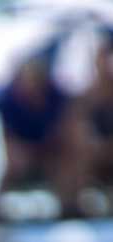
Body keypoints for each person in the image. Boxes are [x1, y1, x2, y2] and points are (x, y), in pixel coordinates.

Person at [0, 55, 71, 205]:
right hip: (22, 152)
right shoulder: (9, 104)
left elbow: (62, 132)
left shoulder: (56, 99)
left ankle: (66, 208)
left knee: (65, 166)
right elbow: (8, 140)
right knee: (12, 168)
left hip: (50, 152)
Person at [63, 36, 113, 212]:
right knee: (74, 162)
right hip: (93, 154)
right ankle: (72, 210)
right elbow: (76, 129)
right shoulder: (86, 97)